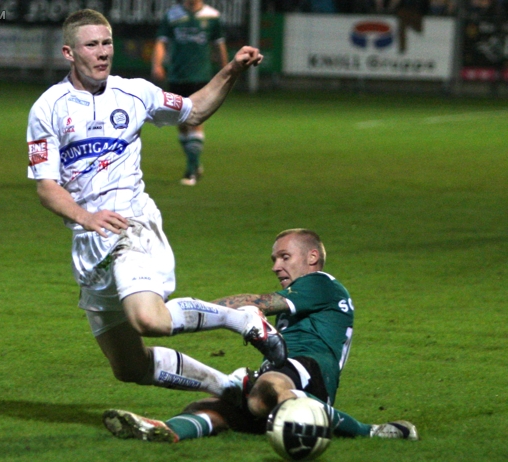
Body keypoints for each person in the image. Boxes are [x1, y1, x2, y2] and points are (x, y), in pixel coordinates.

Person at [26, 9, 287, 402]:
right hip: (90, 241)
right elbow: (47, 187)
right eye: (91, 45)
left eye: (107, 43)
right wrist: (85, 217)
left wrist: (232, 69)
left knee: (149, 319)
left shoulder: (135, 92)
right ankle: (232, 388)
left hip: (131, 226)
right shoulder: (47, 109)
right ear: (69, 52)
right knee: (130, 368)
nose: (102, 53)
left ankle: (241, 318)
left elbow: (194, 109)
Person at [103, 229, 419, 442]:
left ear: (311, 258)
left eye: (284, 257)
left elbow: (258, 303)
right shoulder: (304, 294)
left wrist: (194, 313)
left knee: (267, 388)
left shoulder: (321, 282)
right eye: (274, 260)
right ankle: (164, 431)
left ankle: (371, 432)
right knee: (205, 408)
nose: (276, 266)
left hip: (310, 369)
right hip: (283, 373)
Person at [152, 0, 228, 186]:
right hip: (177, 76)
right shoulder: (172, 15)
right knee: (181, 123)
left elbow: (219, 45)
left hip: (200, 76)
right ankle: (194, 160)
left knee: (195, 119)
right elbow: (161, 42)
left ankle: (191, 170)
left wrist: (226, 70)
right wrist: (157, 65)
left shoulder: (212, 16)